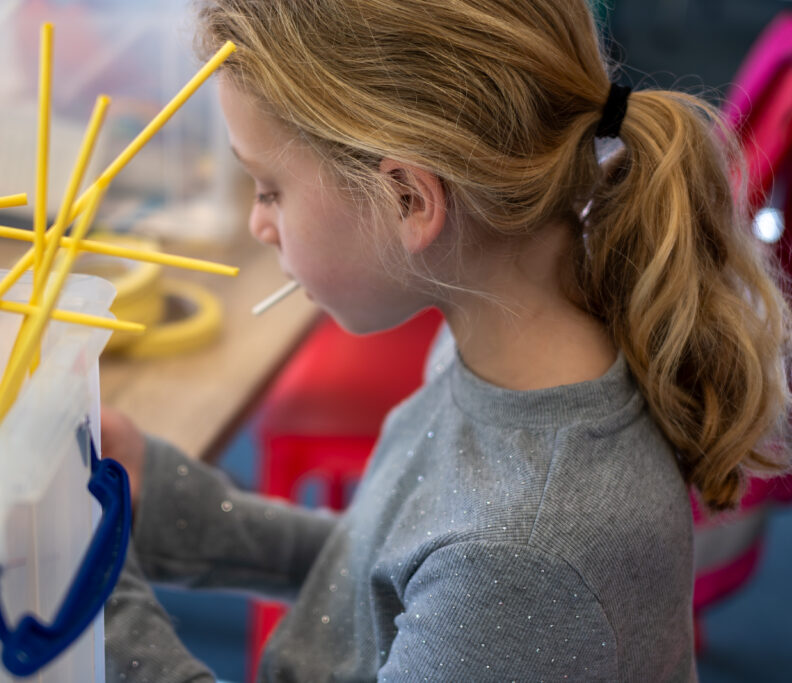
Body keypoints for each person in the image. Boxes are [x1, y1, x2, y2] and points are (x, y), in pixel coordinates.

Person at [100, 0, 792, 680]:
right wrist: (163, 496)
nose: (259, 222)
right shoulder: (505, 340)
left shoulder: (525, 560)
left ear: (409, 198)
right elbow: (381, 572)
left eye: (270, 189)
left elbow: (471, 578)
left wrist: (93, 600)